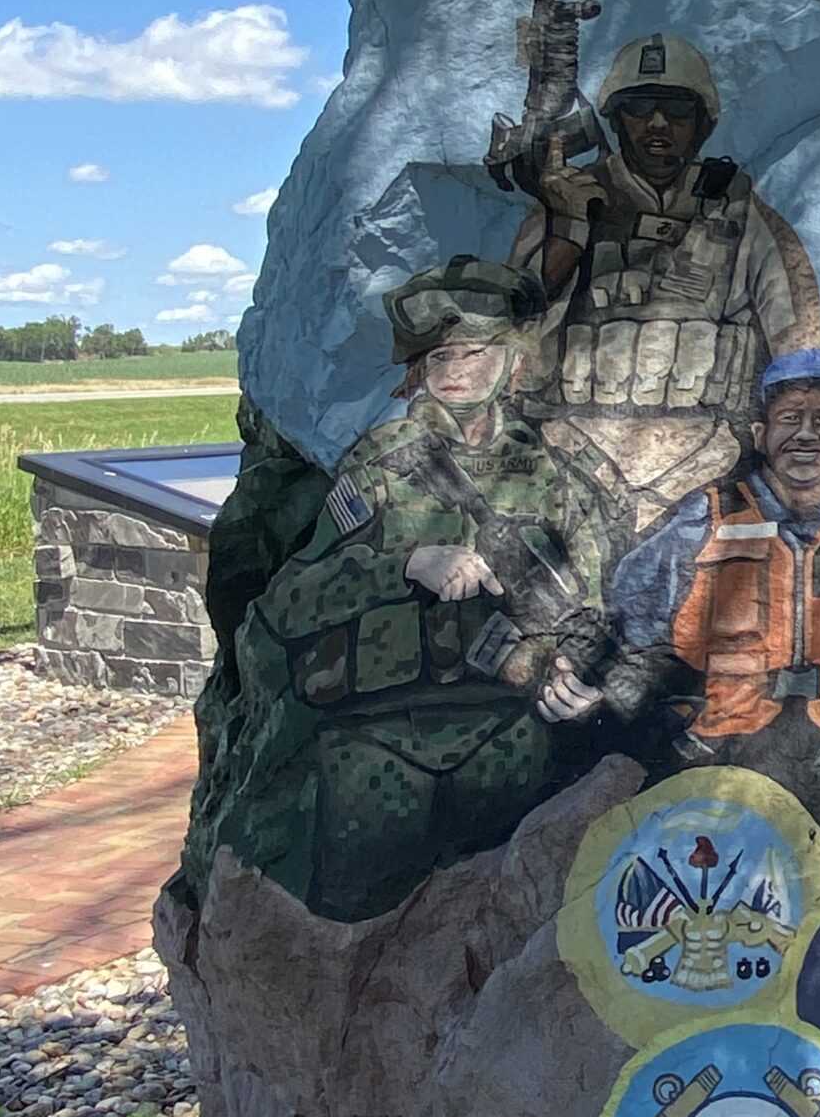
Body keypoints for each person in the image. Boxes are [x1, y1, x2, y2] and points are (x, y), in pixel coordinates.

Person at [230, 259, 613, 920]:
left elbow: (593, 605)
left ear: (514, 360)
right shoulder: (384, 463)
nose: (457, 368)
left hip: (505, 738)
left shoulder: (555, 476)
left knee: (504, 923)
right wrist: (404, 564)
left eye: (476, 350)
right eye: (441, 352)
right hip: (380, 746)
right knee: (357, 929)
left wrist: (573, 672)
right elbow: (288, 601)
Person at [545, 350, 820, 784]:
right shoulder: (704, 521)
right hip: (712, 758)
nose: (807, 435)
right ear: (760, 434)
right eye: (790, 419)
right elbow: (626, 628)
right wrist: (583, 680)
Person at [509, 31, 820, 526]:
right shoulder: (568, 199)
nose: (658, 123)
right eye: (639, 107)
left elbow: (798, 332)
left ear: (702, 124)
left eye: (677, 110)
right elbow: (513, 321)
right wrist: (569, 225)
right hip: (573, 448)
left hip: (707, 457)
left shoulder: (738, 208)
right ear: (615, 119)